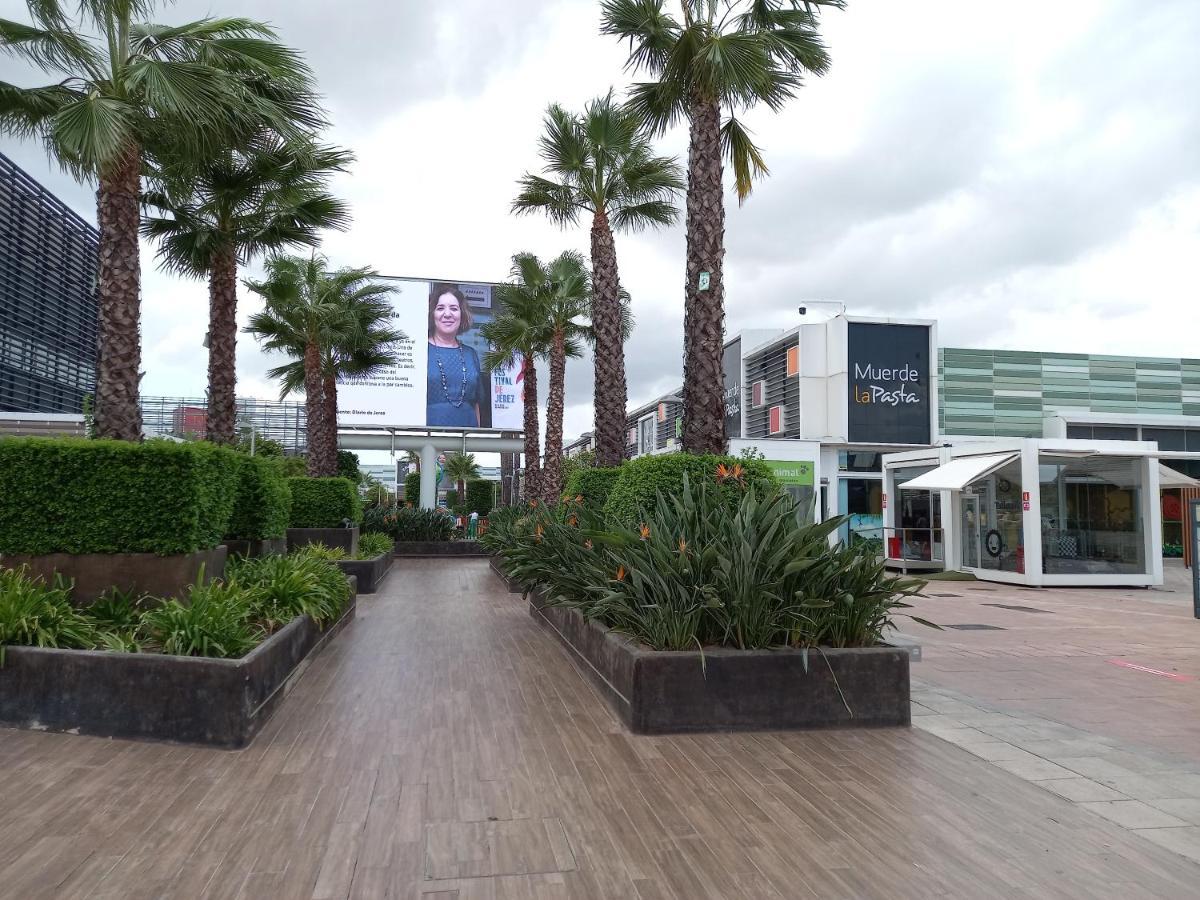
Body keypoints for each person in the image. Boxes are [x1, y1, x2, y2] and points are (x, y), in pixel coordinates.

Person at [426, 284, 483, 427]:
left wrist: (478, 440)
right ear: (432, 314)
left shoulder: (471, 354)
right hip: (428, 438)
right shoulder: (421, 350)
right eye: (440, 308)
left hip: (467, 435)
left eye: (454, 308)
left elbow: (476, 404)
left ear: (461, 314)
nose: (447, 314)